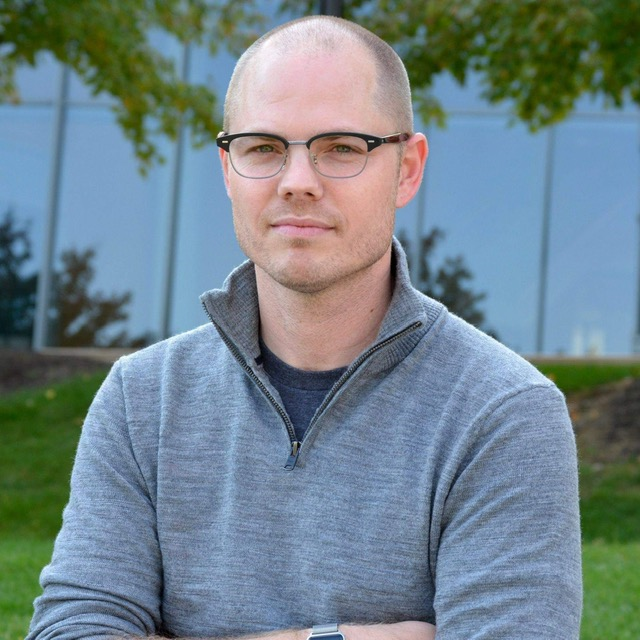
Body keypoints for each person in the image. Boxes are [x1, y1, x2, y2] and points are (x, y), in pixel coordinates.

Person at [27, 15, 582, 640]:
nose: (297, 183)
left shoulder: (502, 411)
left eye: (341, 148)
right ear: (226, 168)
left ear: (406, 169)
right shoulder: (141, 400)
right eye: (263, 148)